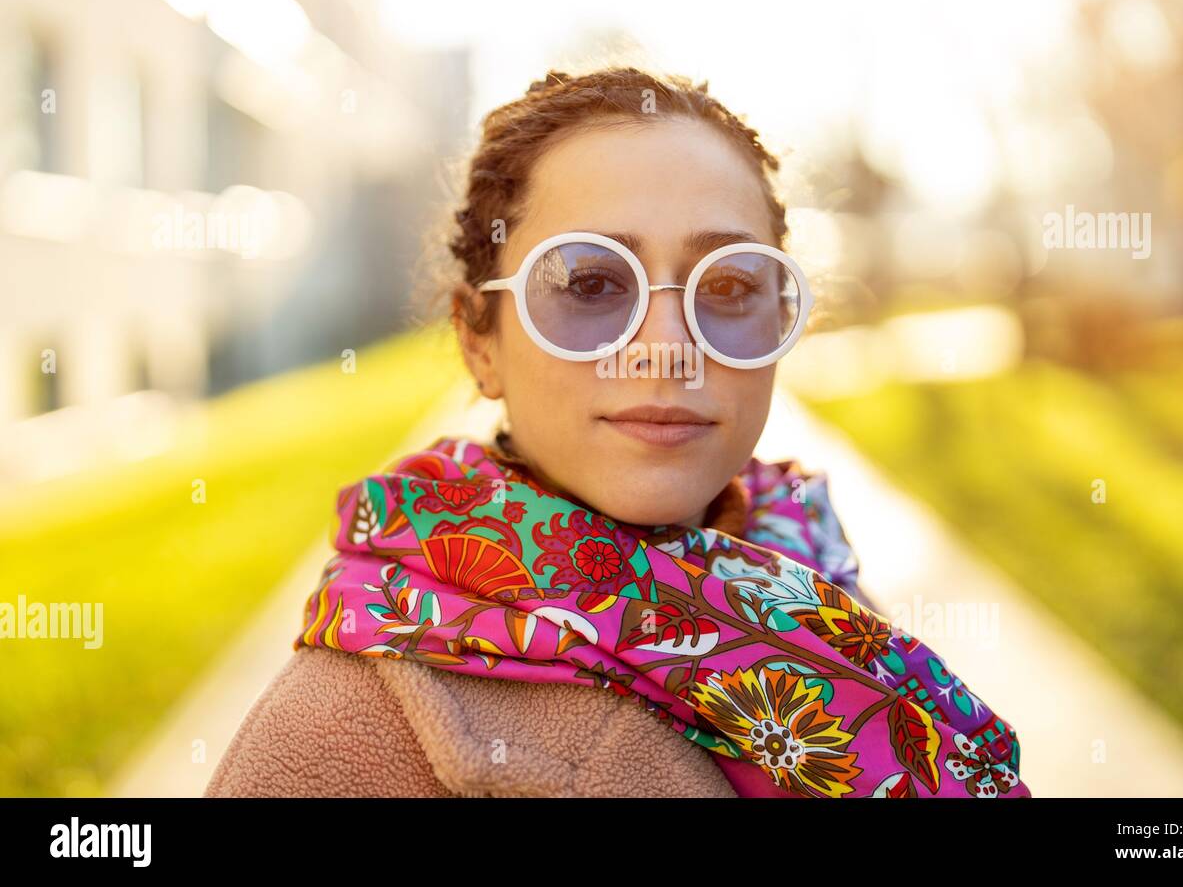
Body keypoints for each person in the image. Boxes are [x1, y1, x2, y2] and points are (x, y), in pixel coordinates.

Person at [205, 66, 1027, 799]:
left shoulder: (814, 578)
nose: (667, 347)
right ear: (478, 341)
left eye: (730, 284)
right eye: (593, 281)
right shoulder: (342, 731)